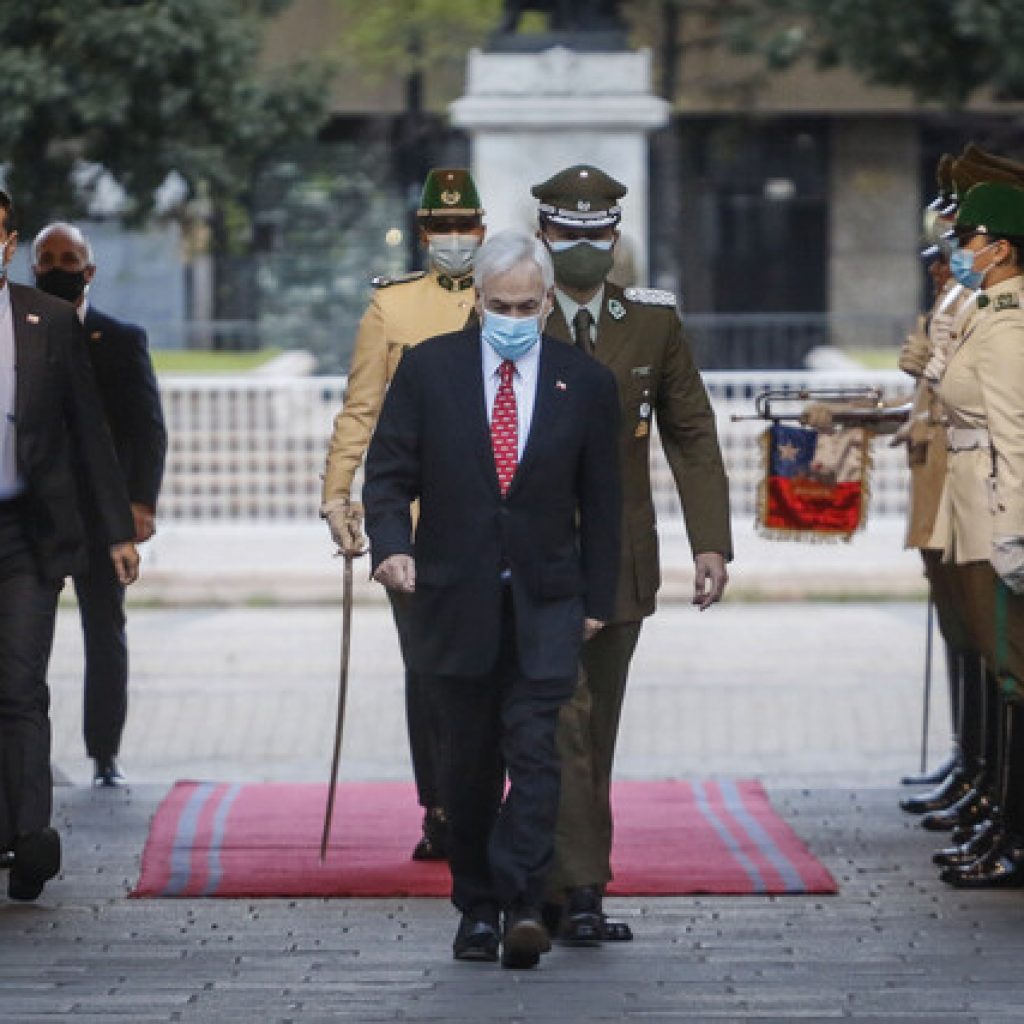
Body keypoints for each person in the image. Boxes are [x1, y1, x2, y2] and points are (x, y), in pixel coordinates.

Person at [363, 230, 621, 968]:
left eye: (527, 305)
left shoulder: (585, 381)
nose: (513, 316)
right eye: (500, 304)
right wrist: (392, 547)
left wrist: (597, 599)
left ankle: (520, 903)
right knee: (468, 768)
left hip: (547, 602)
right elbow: (389, 473)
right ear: (478, 300)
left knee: (537, 756)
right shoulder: (430, 369)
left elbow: (604, 504)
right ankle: (476, 906)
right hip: (455, 598)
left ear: (546, 305)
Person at [530, 164, 732, 943]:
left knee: (596, 728)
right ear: (544, 234)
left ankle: (554, 879)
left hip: (621, 559)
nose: (583, 247)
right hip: (539, 559)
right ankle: (579, 888)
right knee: (558, 720)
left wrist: (709, 541)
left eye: (597, 234)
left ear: (616, 238)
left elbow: (692, 433)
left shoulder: (652, 323)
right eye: (567, 233)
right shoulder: (514, 315)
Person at [322, 168, 485, 861]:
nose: (453, 239)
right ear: (424, 233)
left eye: (463, 226)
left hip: (493, 516)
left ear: (482, 229)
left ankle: (487, 796)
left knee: (492, 666)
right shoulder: (392, 309)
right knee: (427, 668)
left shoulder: (509, 298)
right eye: (440, 228)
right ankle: (441, 805)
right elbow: (362, 407)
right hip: (414, 524)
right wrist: (338, 495)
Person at [0, 188, 139, 900]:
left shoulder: (45, 322)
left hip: (25, 531)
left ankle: (30, 837)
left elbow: (90, 431)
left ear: (7, 240)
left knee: (20, 685)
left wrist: (118, 528)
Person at [31, 222, 167, 787]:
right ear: (32, 268)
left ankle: (104, 754)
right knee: (24, 639)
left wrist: (139, 503)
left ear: (90, 271)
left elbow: (146, 429)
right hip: (33, 516)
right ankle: (26, 756)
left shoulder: (121, 338)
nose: (59, 268)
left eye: (70, 258)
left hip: (102, 517)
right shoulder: (17, 334)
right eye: (48, 258)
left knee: (104, 634)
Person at [926, 181, 1024, 887]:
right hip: (970, 503)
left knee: (1014, 675)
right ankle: (1006, 824)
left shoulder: (1009, 323)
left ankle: (1015, 836)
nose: (960, 252)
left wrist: (1014, 534)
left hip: (995, 513)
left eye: (968, 241)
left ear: (1001, 247)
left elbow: (1016, 439)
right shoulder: (988, 315)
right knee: (1002, 669)